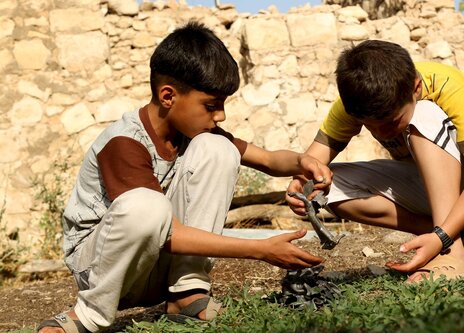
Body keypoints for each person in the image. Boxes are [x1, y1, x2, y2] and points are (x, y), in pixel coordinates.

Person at [37, 22, 331, 333]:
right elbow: (168, 232)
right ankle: (87, 316)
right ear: (168, 96)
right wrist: (260, 249)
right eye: (211, 105)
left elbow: (269, 159)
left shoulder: (192, 131)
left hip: (154, 264)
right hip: (103, 270)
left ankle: (186, 293)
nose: (221, 116)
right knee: (148, 206)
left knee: (219, 149)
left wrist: (303, 161)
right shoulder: (124, 142)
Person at [287, 40, 464, 284]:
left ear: (415, 87)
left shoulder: (447, 83)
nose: (383, 133)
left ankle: (453, 254)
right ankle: (449, 233)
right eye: (370, 126)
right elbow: (312, 161)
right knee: (323, 185)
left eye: (392, 122)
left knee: (424, 113)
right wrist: (299, 184)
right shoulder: (354, 101)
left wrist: (442, 237)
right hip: (431, 186)